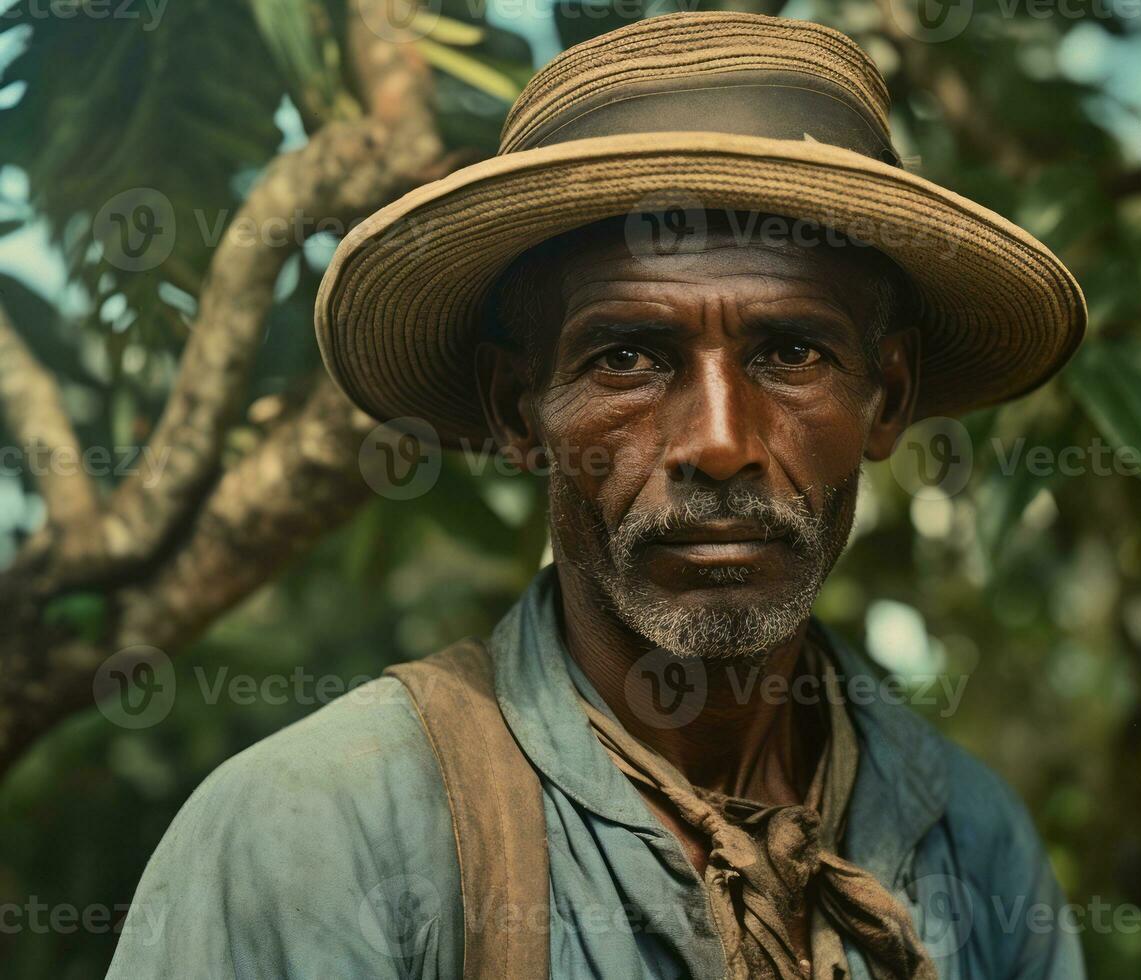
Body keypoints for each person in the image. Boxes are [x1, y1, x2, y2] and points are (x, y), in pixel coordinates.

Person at [109, 11, 1087, 979]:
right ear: (516, 409)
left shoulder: (971, 845)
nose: (717, 441)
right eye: (627, 355)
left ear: (888, 397)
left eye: (791, 351)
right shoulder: (321, 836)